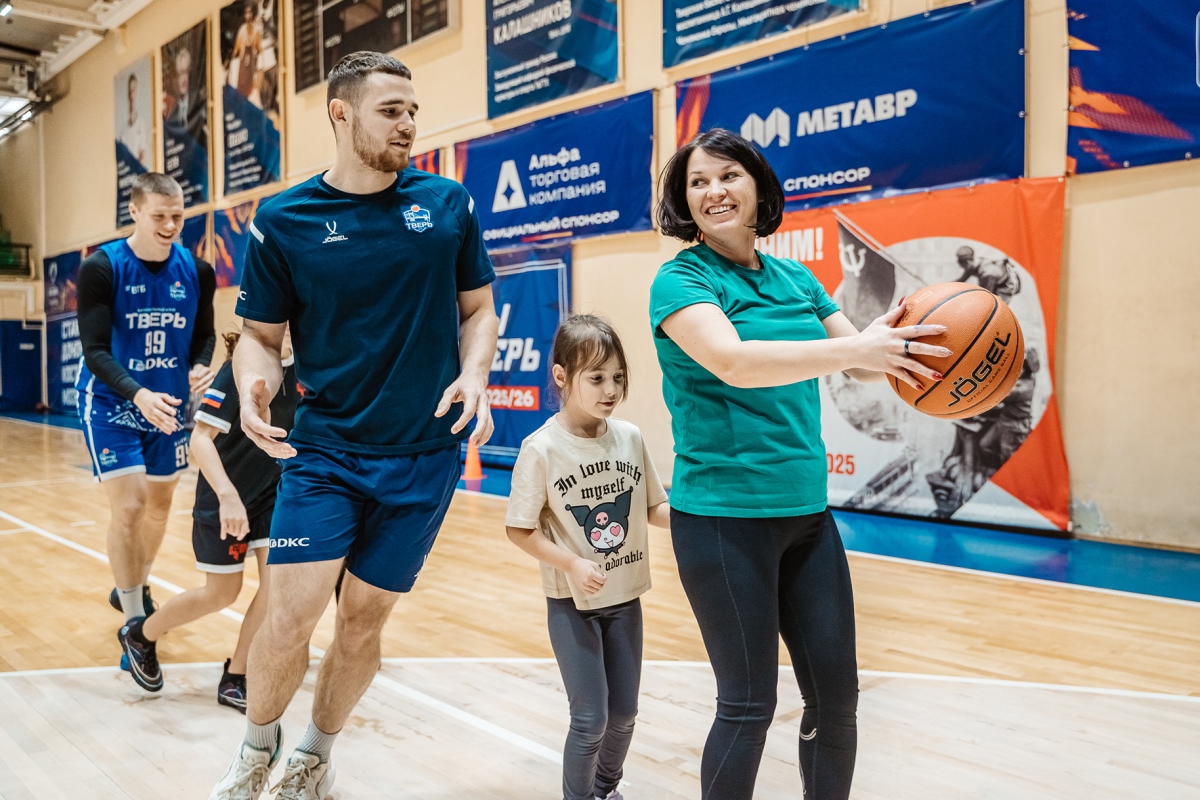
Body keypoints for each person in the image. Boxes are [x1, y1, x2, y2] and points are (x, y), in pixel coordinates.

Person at [208, 51, 497, 799]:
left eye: (412, 110)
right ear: (341, 114)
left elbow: (479, 311)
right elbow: (261, 341)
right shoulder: (282, 221)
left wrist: (473, 373)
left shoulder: (449, 206)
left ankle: (312, 757)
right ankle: (253, 753)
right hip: (326, 452)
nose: (408, 124)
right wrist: (254, 389)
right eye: (390, 110)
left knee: (364, 623)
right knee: (287, 617)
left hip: (425, 458)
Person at [649, 128, 949, 800]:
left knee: (836, 702)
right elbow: (732, 361)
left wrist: (906, 347)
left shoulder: (795, 278)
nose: (713, 191)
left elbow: (866, 367)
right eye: (697, 182)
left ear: (758, 187)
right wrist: (857, 353)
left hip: (807, 517)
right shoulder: (682, 279)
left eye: (727, 176)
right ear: (684, 201)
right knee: (748, 706)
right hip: (724, 520)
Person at [506, 315, 670, 800]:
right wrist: (572, 564)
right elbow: (519, 529)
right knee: (590, 719)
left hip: (626, 598)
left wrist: (699, 520)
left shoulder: (631, 437)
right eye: (596, 378)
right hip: (571, 605)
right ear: (561, 377)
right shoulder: (541, 448)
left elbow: (653, 506)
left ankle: (606, 788)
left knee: (624, 715)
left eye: (617, 377)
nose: (610, 389)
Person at [75, 172, 216, 684]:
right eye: (160, 215)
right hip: (115, 400)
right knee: (131, 507)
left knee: (159, 509)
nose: (171, 225)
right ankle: (136, 623)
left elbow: (203, 338)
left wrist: (201, 366)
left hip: (171, 404)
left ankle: (135, 584)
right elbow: (94, 351)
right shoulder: (101, 267)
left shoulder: (197, 270)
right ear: (134, 212)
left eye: (178, 215)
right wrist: (137, 393)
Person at [116, 329, 296, 705]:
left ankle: (237, 676)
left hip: (272, 498)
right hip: (225, 497)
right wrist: (228, 497)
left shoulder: (308, 372)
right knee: (221, 594)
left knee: (276, 585)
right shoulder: (238, 371)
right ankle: (141, 635)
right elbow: (200, 439)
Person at [119, 72, 149, 167]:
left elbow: (142, 152)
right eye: (130, 90)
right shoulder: (123, 129)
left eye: (134, 90)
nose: (131, 93)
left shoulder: (141, 123)